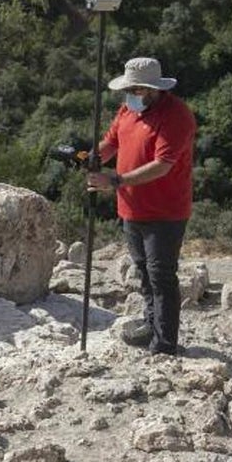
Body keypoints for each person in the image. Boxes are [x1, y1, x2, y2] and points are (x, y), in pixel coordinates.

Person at [86, 57, 196, 356]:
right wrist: (91, 157)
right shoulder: (127, 110)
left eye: (135, 89)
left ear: (151, 89)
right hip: (132, 208)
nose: (130, 94)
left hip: (165, 211)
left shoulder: (176, 116)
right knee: (144, 273)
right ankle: (151, 325)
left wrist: (116, 181)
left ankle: (165, 342)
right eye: (129, 89)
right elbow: (111, 142)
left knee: (161, 275)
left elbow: (162, 165)